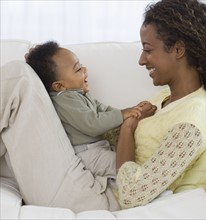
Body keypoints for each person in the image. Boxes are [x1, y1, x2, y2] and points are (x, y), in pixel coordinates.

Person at [115, 0, 206, 209]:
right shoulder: (166, 96)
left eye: (148, 49)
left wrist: (128, 128)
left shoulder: (192, 122)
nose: (141, 60)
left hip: (116, 199)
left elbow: (132, 195)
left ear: (178, 50)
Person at [25, 41, 152, 188]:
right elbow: (92, 124)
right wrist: (123, 114)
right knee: (122, 167)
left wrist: (132, 111)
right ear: (60, 86)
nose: (85, 69)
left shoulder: (80, 94)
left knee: (124, 163)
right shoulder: (64, 99)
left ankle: (132, 186)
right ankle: (146, 190)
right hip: (86, 154)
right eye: (78, 69)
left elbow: (104, 110)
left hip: (96, 149)